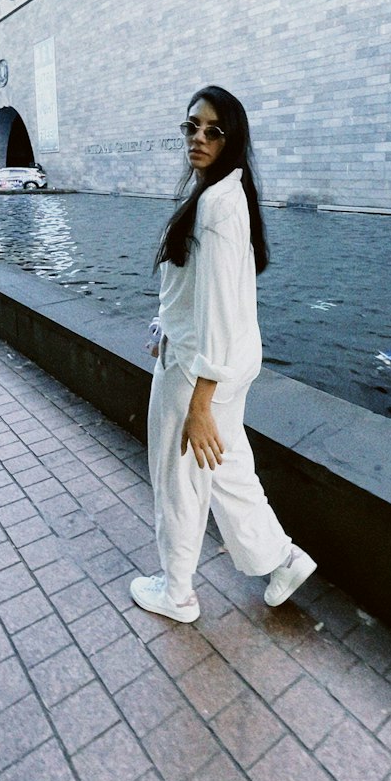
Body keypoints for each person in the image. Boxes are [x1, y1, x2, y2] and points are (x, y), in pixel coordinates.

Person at [130, 85, 316, 623]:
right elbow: (206, 296)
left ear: (232, 139)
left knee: (179, 477)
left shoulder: (216, 204)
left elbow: (217, 313)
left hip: (197, 371)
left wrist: (198, 403)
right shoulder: (227, 196)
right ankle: (283, 559)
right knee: (227, 467)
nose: (198, 138)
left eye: (213, 130)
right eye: (191, 127)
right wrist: (165, 324)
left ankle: (177, 590)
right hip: (222, 364)